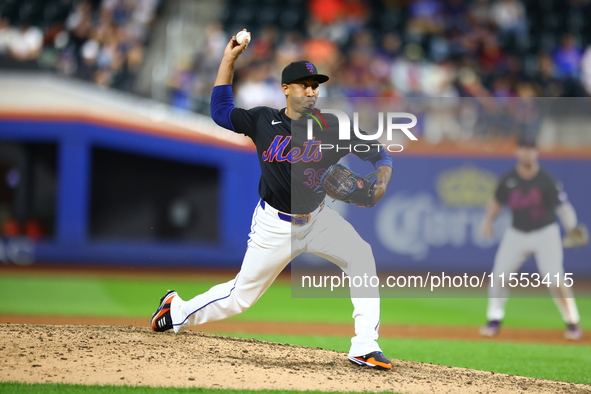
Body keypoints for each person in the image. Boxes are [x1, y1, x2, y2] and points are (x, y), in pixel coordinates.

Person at [151, 30, 394, 369]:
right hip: (275, 225)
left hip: (319, 219)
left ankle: (364, 345)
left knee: (361, 256)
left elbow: (380, 154)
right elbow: (221, 110)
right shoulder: (264, 120)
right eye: (304, 84)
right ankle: (175, 309)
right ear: (286, 89)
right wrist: (229, 59)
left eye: (315, 85)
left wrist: (381, 180)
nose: (311, 90)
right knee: (240, 298)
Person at [479, 133, 582, 340]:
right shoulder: (509, 178)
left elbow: (563, 207)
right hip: (517, 232)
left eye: (530, 148)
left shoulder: (546, 180)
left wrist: (572, 227)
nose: (527, 152)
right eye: (523, 148)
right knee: (499, 276)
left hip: (545, 232)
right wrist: (488, 221)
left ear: (536, 151)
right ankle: (494, 320)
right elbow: (497, 202)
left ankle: (572, 322)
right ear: (517, 151)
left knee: (555, 278)